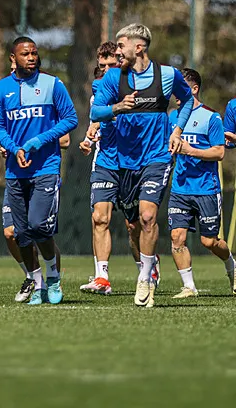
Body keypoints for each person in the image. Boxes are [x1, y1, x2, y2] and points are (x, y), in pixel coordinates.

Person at [91, 23, 193, 308]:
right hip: (122, 163)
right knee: (131, 222)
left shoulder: (168, 75)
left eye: (121, 46)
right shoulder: (113, 78)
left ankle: (146, 277)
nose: (117, 51)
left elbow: (187, 101)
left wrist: (177, 130)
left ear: (139, 47)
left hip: (157, 158)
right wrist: (116, 108)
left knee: (148, 217)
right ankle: (145, 268)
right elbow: (95, 111)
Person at [0, 37, 78, 305]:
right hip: (16, 172)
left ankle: (53, 276)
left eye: (34, 53)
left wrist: (40, 141)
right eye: (25, 54)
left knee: (39, 225)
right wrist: (14, 148)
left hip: (46, 167)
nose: (31, 57)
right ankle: (37, 283)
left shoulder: (53, 84)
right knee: (21, 233)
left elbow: (71, 119)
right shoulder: (0, 89)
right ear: (12, 59)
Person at [78, 41, 152, 295]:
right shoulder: (98, 91)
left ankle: (147, 268)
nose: (107, 70)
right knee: (100, 218)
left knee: (134, 226)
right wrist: (89, 139)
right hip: (106, 162)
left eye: (112, 65)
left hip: (132, 163)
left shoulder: (139, 87)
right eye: (102, 66)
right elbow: (97, 120)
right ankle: (102, 277)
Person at [166, 68, 234, 298]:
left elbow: (219, 152)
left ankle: (232, 266)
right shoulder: (172, 117)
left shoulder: (211, 117)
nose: (176, 93)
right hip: (180, 188)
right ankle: (189, 287)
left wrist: (190, 150)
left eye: (181, 88)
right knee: (177, 237)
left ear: (194, 89)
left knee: (209, 241)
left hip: (206, 189)